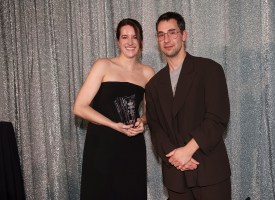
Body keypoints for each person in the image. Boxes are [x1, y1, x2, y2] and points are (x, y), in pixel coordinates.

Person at [145, 12, 231, 200]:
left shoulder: (210, 70)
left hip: (209, 171)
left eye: (172, 32)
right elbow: (156, 128)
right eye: (161, 34)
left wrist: (187, 151)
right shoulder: (152, 85)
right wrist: (176, 158)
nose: (166, 39)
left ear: (184, 35)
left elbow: (217, 118)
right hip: (175, 176)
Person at [73, 18, 154, 200]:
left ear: (141, 41)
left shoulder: (148, 73)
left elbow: (150, 113)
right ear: (118, 40)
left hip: (131, 146)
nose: (130, 42)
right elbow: (79, 107)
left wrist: (142, 121)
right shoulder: (103, 65)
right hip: (102, 145)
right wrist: (113, 125)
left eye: (135, 37)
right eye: (125, 37)